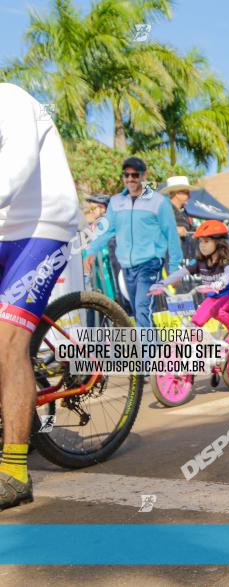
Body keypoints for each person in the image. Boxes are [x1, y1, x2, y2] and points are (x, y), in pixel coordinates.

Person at [0, 83, 81, 509]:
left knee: (7, 341)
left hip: (42, 225)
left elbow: (13, 175)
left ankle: (14, 471)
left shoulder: (10, 100)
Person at [85, 156, 184, 329]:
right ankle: (156, 350)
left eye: (135, 175)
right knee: (140, 311)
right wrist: (92, 250)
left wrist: (175, 268)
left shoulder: (159, 202)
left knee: (141, 307)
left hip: (150, 263)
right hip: (127, 266)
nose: (130, 179)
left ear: (143, 176)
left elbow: (171, 235)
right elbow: (106, 229)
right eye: (126, 175)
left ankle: (146, 356)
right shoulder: (116, 202)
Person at [149, 220, 229, 352]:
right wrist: (162, 283)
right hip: (214, 297)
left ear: (218, 243)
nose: (202, 245)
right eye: (200, 241)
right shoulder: (200, 261)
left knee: (217, 311)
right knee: (195, 322)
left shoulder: (225, 258)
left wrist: (221, 282)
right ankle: (197, 352)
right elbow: (181, 272)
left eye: (206, 241)